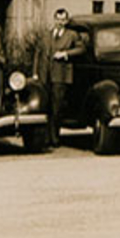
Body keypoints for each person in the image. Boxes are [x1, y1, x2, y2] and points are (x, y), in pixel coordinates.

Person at [33, 8, 86, 147]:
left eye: (63, 20)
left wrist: (65, 54)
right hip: (45, 75)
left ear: (66, 21)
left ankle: (54, 138)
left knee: (57, 108)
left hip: (61, 76)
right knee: (45, 106)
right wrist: (35, 73)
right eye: (58, 19)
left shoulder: (72, 35)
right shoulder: (46, 34)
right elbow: (38, 53)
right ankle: (45, 138)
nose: (60, 22)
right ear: (54, 19)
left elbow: (81, 49)